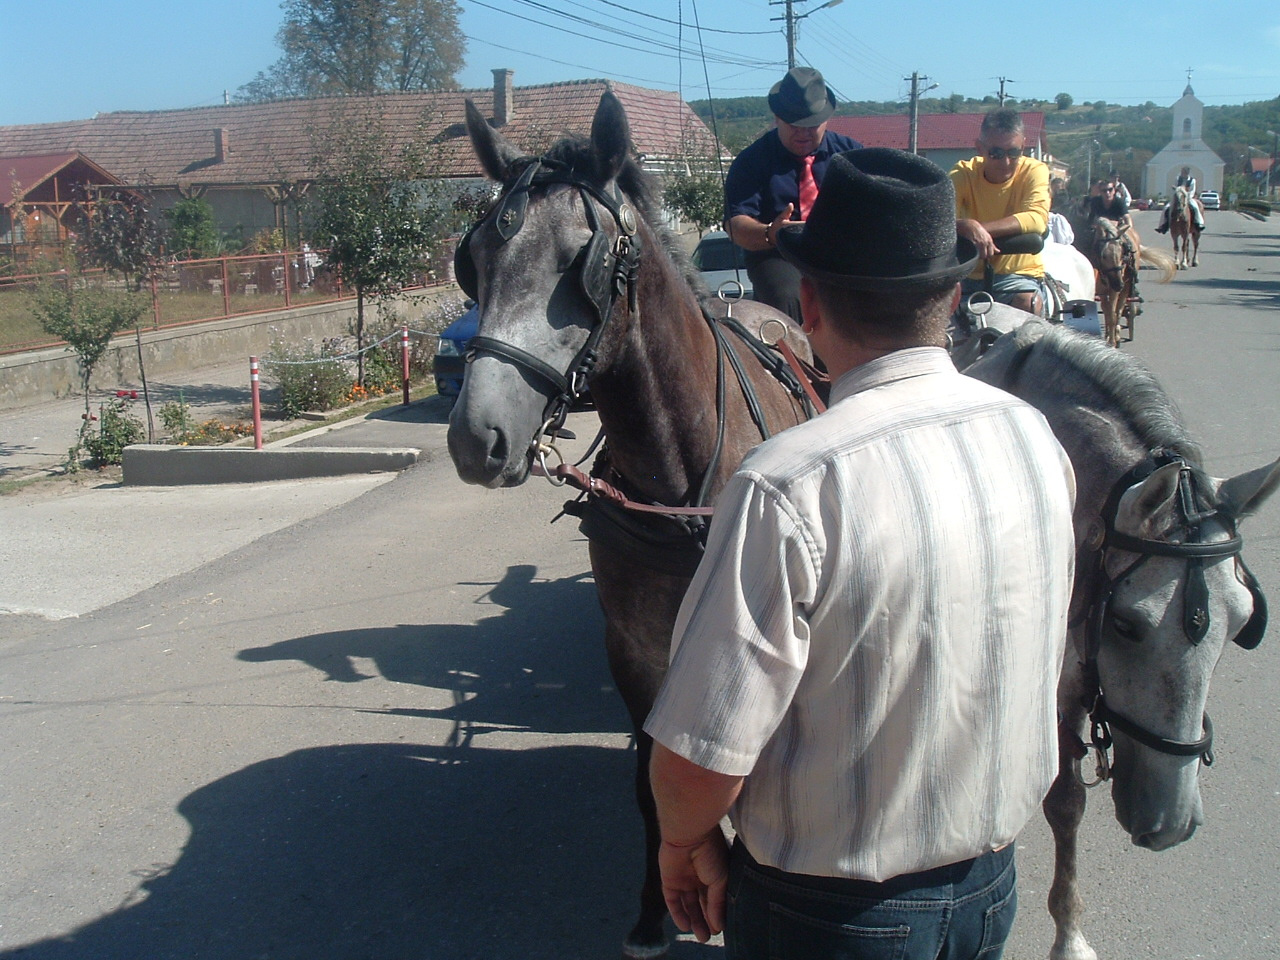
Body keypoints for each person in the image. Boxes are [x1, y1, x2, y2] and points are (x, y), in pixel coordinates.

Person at [646, 148, 1076, 959]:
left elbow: (702, 752)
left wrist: (679, 844)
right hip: (992, 889)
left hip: (832, 916)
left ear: (808, 304)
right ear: (949, 299)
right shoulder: (1032, 437)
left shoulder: (789, 484)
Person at [722, 67, 862, 323]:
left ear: (827, 118)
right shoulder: (751, 161)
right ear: (777, 117)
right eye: (794, 125)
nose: (803, 133)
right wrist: (770, 233)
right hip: (778, 254)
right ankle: (791, 361)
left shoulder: (852, 156)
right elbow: (736, 223)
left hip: (841, 254)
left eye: (811, 125)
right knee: (787, 294)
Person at [950, 108, 1051, 315]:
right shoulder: (962, 174)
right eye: (995, 153)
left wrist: (981, 230)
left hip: (1018, 277)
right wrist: (965, 225)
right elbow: (938, 219)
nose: (1005, 162)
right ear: (980, 148)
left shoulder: (1034, 171)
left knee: (1027, 303)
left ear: (1023, 146)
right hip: (968, 277)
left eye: (1013, 153)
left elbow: (1036, 218)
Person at [1155, 165, 1205, 233]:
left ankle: (1199, 223)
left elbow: (1192, 191)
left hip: (1188, 197)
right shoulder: (1178, 179)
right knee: (1166, 208)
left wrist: (1186, 196)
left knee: (1195, 207)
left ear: (1187, 173)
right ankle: (1163, 225)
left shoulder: (1192, 180)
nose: (1182, 173)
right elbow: (1175, 187)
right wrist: (1176, 191)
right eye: (1182, 172)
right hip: (1178, 197)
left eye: (1183, 172)